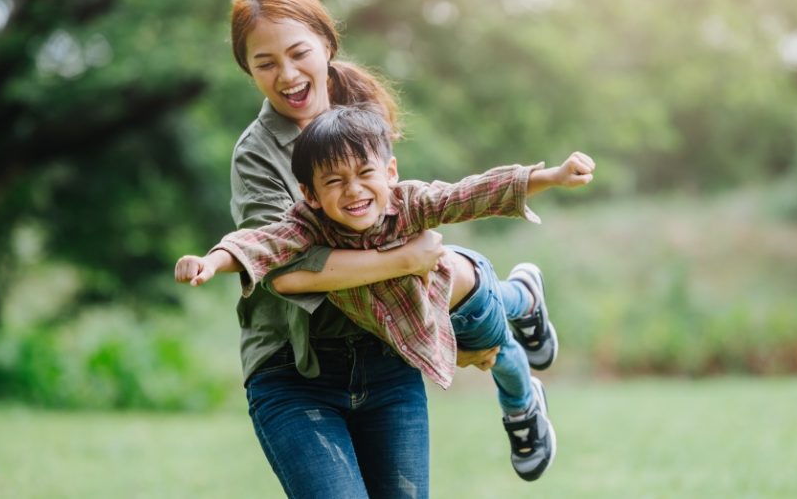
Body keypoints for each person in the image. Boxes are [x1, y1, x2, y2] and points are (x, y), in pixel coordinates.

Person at [175, 105, 597, 480]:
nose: (354, 190)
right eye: (335, 181)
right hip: (408, 324)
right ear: (310, 194)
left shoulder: (410, 202)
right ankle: (522, 297)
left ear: (390, 172)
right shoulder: (307, 225)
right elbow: (260, 243)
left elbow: (470, 194)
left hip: (459, 299)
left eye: (365, 174)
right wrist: (211, 261)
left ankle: (523, 315)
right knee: (492, 341)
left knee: (494, 344)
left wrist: (550, 176)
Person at [200, 0, 500, 497]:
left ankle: (512, 331)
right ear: (247, 70)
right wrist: (403, 260)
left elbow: (418, 207)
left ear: (327, 46)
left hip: (385, 359)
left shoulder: (362, 119)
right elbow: (286, 265)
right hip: (296, 368)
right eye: (266, 63)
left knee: (466, 277)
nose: (288, 75)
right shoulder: (256, 153)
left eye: (299, 54)